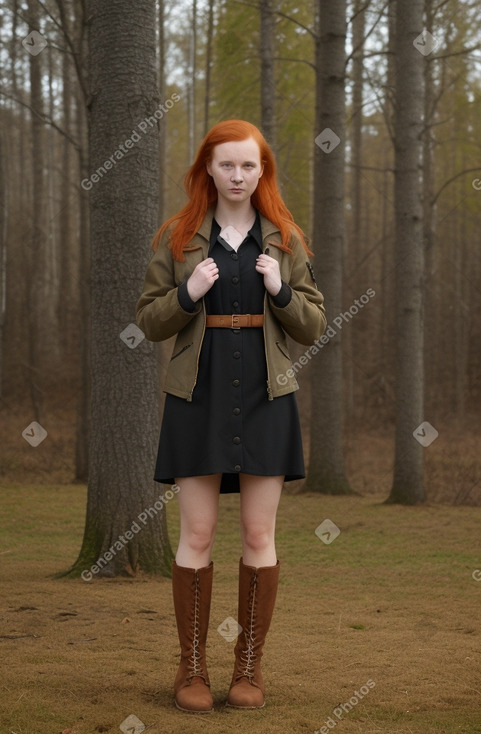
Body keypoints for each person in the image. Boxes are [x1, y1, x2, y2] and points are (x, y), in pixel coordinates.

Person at [136, 119, 326, 713]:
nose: (238, 175)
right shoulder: (179, 236)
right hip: (197, 397)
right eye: (227, 165)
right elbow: (148, 322)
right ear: (208, 170)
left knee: (257, 534)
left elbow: (314, 326)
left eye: (249, 165)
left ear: (262, 170)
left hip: (269, 398)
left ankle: (249, 668)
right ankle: (192, 667)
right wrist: (189, 290)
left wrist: (283, 292)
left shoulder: (286, 240)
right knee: (196, 533)